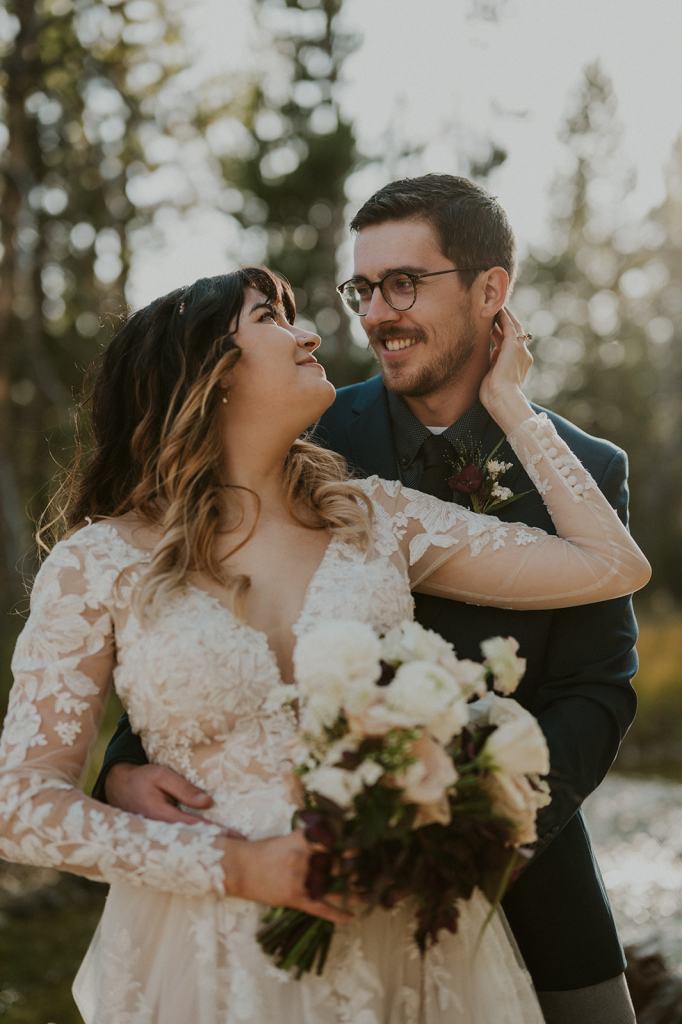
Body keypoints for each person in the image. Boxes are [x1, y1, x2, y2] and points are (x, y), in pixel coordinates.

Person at [0, 262, 649, 1023]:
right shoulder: (96, 561)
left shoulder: (377, 517)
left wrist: (511, 404)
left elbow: (613, 566)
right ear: (207, 373)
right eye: (271, 318)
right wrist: (239, 866)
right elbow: (19, 806)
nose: (310, 333)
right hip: (206, 949)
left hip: (406, 933)